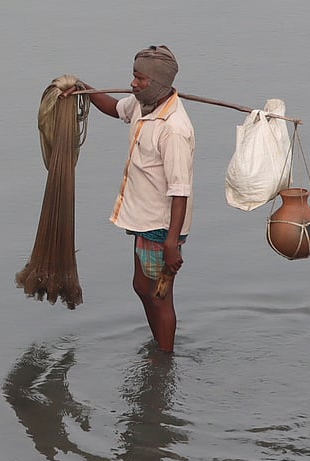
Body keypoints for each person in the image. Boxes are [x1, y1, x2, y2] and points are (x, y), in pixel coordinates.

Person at [61, 46, 195, 353]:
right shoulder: (142, 105)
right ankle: (160, 345)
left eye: (140, 79)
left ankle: (164, 355)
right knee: (142, 287)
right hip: (144, 218)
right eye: (133, 77)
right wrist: (84, 88)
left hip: (160, 226)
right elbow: (113, 108)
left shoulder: (173, 129)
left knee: (159, 295)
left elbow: (180, 190)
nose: (133, 84)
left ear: (159, 83)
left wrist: (172, 243)